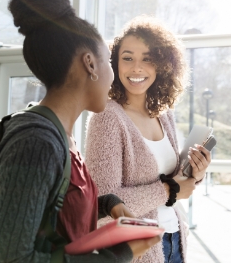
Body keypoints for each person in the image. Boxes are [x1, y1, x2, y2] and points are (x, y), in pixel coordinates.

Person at [0, 0, 160, 263]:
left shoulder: (61, 136)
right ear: (90, 63)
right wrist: (116, 256)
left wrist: (109, 204)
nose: (113, 76)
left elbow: (59, 211)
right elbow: (8, 259)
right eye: (108, 63)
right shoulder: (36, 142)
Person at [85, 16, 212, 263]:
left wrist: (196, 172)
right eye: (128, 58)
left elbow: (177, 180)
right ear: (114, 63)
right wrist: (170, 190)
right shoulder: (107, 117)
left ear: (162, 65)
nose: (137, 68)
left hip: (176, 239)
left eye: (148, 58)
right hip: (139, 251)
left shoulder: (164, 115)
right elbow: (102, 203)